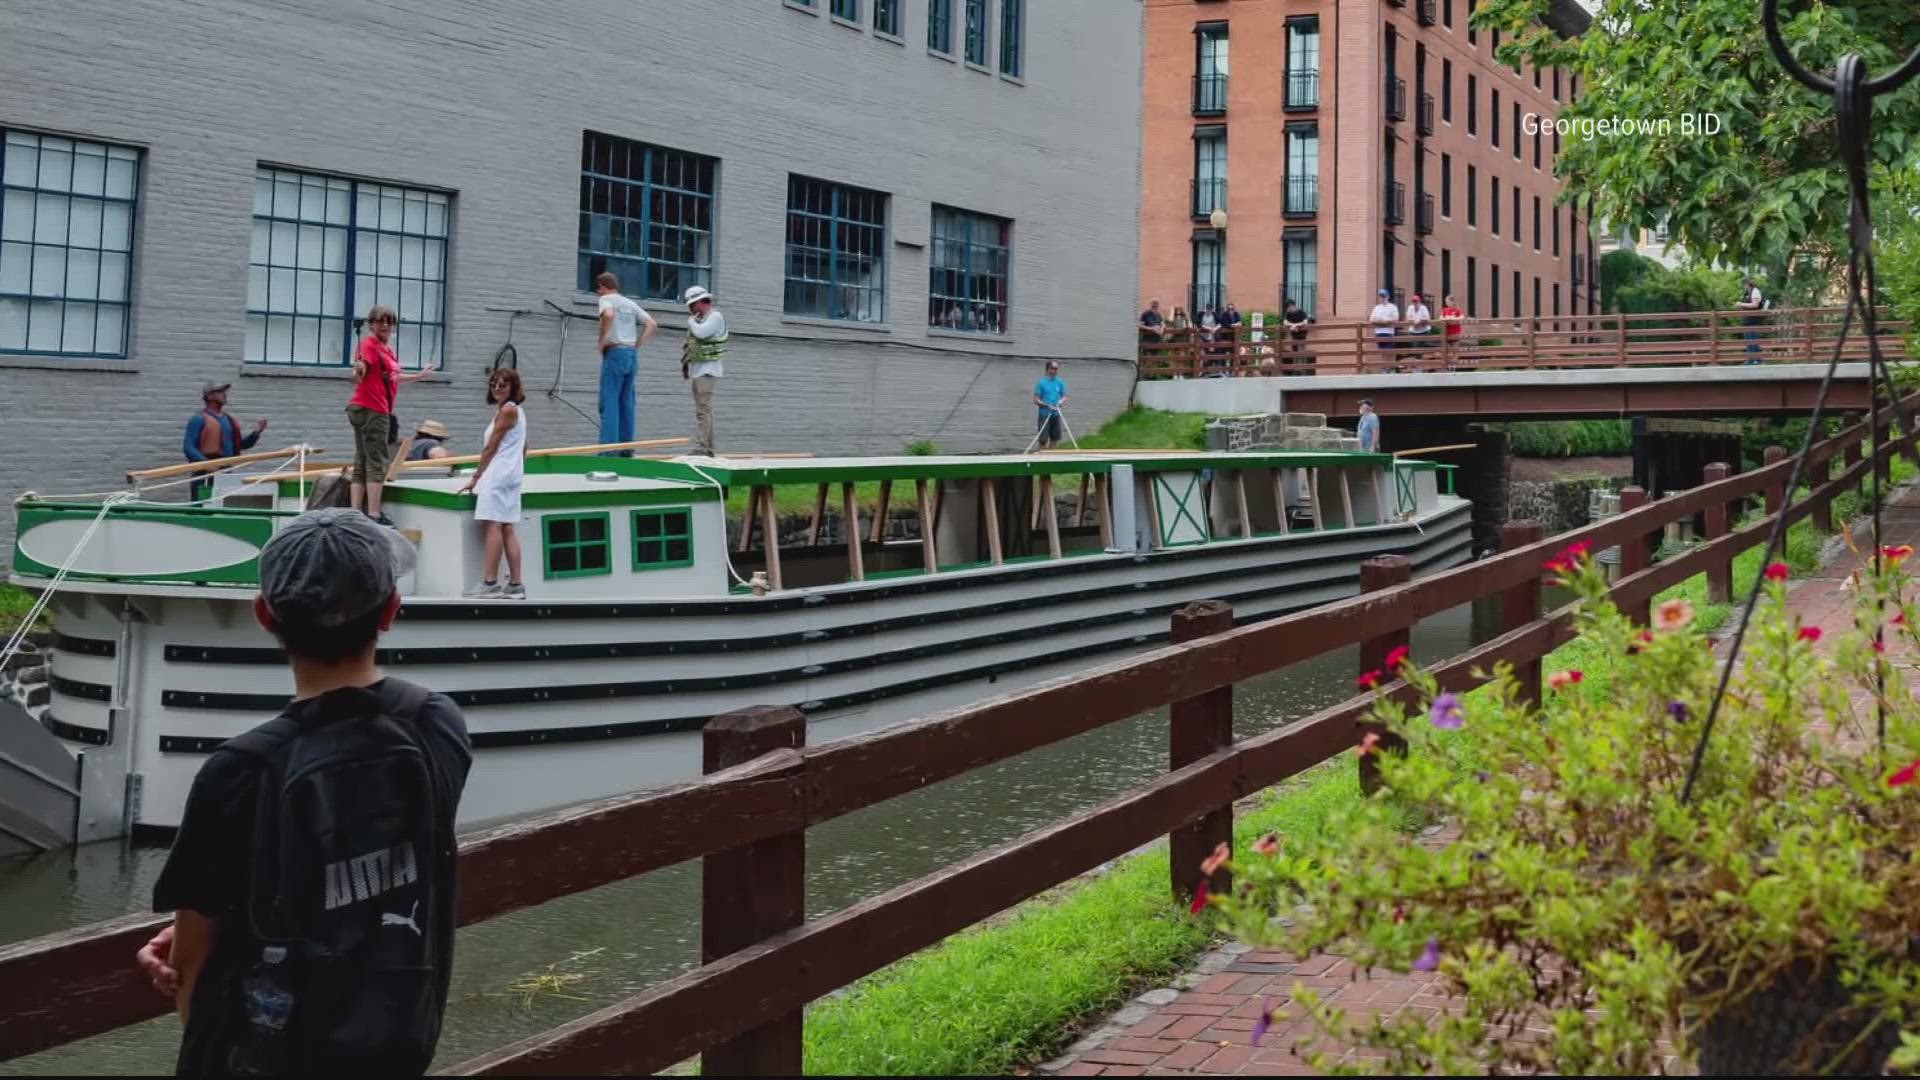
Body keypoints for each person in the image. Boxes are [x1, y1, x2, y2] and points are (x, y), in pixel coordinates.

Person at [135, 509, 471, 1076]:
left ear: (264, 614)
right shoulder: (435, 724)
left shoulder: (239, 769)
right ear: (390, 611)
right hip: (396, 1043)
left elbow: (192, 965)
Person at [347, 305, 436, 527]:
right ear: (371, 324)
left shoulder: (386, 350)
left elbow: (393, 378)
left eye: (389, 321)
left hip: (363, 407)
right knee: (377, 461)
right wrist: (357, 372)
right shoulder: (369, 345)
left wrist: (419, 376)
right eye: (380, 321)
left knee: (363, 459)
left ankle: (356, 511)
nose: (385, 325)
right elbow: (361, 367)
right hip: (373, 408)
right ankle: (374, 514)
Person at [458, 370, 528, 599]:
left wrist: (476, 478)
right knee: (507, 526)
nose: (497, 388)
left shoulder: (507, 411)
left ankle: (489, 583)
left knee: (494, 525)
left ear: (513, 387)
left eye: (503, 385)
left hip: (497, 474)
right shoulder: (518, 412)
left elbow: (491, 447)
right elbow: (525, 446)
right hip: (512, 474)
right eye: (494, 385)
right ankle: (516, 585)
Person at [594, 271, 657, 455]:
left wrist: (602, 339)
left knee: (610, 401)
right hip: (631, 354)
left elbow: (608, 314)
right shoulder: (629, 303)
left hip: (615, 353)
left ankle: (608, 452)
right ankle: (626, 449)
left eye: (598, 289)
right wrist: (637, 345)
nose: (598, 293)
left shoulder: (607, 299)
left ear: (603, 287)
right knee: (626, 402)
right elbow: (652, 324)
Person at [183, 382, 267, 502]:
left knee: (223, 505)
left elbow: (240, 445)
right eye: (220, 392)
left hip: (226, 472)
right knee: (201, 505)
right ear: (210, 396)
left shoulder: (228, 420)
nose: (224, 394)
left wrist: (256, 433)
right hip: (204, 474)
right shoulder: (199, 419)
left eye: (224, 392)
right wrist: (207, 464)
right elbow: (189, 447)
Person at [681, 285, 728, 456]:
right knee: (702, 410)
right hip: (699, 370)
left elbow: (701, 334)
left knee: (704, 410)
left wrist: (691, 322)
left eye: (691, 305)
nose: (690, 310)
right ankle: (709, 448)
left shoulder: (715, 317)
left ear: (699, 302)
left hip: (707, 371)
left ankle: (703, 447)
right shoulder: (702, 318)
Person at [1033, 361, 1069, 450]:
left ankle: (1052, 457)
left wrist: (1061, 402)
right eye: (1052, 368)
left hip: (1056, 415)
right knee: (1043, 440)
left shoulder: (1060, 382)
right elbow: (1036, 399)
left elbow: (1064, 396)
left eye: (1056, 369)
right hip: (1045, 415)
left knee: (1055, 439)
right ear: (1047, 369)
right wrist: (1047, 405)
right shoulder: (1041, 383)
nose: (1054, 371)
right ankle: (1041, 459)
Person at [1736, 276, 1768, 363]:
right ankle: (1751, 359)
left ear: (1747, 284)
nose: (1743, 286)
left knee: (1753, 338)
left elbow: (1755, 304)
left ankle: (1756, 359)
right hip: (1747, 319)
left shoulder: (1755, 291)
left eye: (1744, 284)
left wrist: (1741, 304)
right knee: (1748, 339)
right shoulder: (1747, 293)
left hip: (1753, 318)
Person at [1369, 289, 1401, 363]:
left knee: (1389, 352)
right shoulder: (1377, 308)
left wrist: (1385, 320)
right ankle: (1385, 368)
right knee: (1382, 352)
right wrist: (1382, 321)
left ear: (1388, 297)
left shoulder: (1392, 307)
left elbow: (1396, 318)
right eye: (1380, 296)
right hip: (1379, 333)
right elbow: (1372, 319)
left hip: (1389, 333)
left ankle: (1390, 367)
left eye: (1384, 296)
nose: (1382, 298)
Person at [1404, 294, 1434, 368]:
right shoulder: (1410, 308)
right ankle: (1417, 365)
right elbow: (1408, 318)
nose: (1415, 303)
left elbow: (1426, 318)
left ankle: (1419, 365)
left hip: (1423, 331)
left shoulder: (1423, 308)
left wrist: (1419, 322)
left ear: (1419, 302)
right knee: (1415, 348)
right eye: (1413, 302)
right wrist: (1414, 323)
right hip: (1414, 331)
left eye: (1416, 302)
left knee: (1421, 349)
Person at [1439, 294, 1466, 368]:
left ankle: (1454, 366)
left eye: (1448, 301)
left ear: (1452, 302)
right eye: (1446, 302)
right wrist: (1448, 318)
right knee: (1446, 350)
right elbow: (1441, 318)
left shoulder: (1457, 310)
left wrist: (1451, 318)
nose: (1447, 303)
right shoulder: (1444, 310)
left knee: (1455, 350)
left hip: (1455, 333)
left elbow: (1462, 317)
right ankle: (1447, 366)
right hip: (1447, 333)